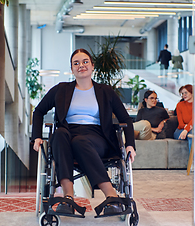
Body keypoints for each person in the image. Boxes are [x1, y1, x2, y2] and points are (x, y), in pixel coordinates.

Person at [31, 48, 136, 215]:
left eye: (85, 61)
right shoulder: (61, 89)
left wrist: (130, 144)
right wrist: (36, 136)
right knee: (59, 134)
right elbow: (38, 111)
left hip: (97, 136)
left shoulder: (105, 91)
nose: (81, 65)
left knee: (79, 141)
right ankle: (68, 198)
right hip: (67, 132)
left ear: (92, 66)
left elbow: (126, 119)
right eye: (76, 63)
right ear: (71, 69)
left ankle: (111, 196)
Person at [174, 84, 193, 152]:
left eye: (186, 93)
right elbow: (180, 124)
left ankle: (194, 160)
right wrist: (187, 128)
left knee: (192, 134)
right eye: (182, 93)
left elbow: (194, 120)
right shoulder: (180, 105)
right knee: (192, 134)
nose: (183, 95)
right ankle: (194, 161)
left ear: (192, 92)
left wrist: (186, 130)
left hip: (189, 130)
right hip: (180, 131)